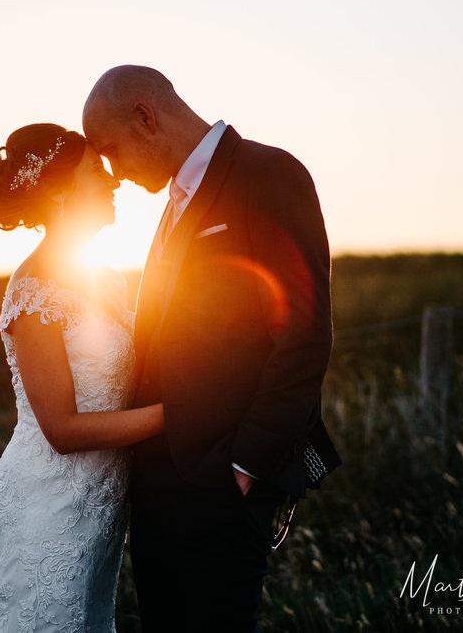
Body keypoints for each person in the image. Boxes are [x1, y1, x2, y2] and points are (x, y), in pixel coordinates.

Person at [82, 65, 341, 631]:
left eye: (110, 151)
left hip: (223, 491)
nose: (113, 173)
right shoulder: (173, 203)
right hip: (157, 496)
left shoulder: (269, 174)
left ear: (145, 118)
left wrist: (245, 467)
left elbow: (304, 336)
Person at [0, 122, 165, 632]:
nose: (112, 182)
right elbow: (61, 429)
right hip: (47, 501)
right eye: (94, 172)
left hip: (100, 506)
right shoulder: (33, 291)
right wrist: (174, 417)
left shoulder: (103, 280)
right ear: (61, 190)